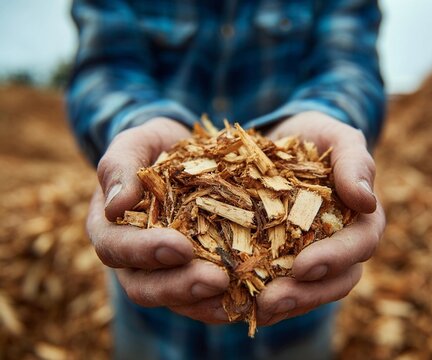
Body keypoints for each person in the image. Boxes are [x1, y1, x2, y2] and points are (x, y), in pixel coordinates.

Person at [67, 0, 386, 359]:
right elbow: (106, 71)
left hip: (294, 314)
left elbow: (348, 68)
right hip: (153, 310)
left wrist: (330, 120)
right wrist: (135, 127)